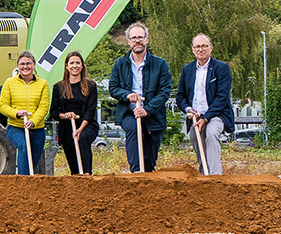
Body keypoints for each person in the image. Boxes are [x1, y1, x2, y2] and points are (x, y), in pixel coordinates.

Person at [108, 22, 171, 173]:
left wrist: (146, 110)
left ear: (146, 40)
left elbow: (164, 92)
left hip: (153, 114)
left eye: (140, 37)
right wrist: (127, 95)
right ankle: (135, 173)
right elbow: (113, 88)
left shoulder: (160, 64)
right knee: (134, 131)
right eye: (134, 38)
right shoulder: (120, 64)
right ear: (128, 41)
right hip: (129, 112)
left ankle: (147, 175)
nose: (137, 40)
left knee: (149, 160)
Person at [175, 34, 234, 176]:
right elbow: (180, 96)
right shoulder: (187, 70)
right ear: (193, 50)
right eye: (197, 47)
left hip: (216, 114)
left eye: (204, 46)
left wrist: (206, 118)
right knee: (195, 137)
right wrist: (188, 109)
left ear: (211, 48)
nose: (201, 49)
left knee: (211, 133)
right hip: (195, 115)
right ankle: (204, 173)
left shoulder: (221, 68)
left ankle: (215, 175)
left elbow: (222, 97)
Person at [0, 50, 51, 175]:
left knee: (32, 162)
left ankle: (30, 185)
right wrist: (16, 113)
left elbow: (44, 107)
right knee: (23, 146)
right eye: (22, 64)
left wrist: (33, 121)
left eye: (29, 63)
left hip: (37, 128)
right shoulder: (9, 83)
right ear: (18, 66)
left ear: (33, 65)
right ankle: (22, 181)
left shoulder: (42, 84)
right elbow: (3, 105)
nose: (25, 67)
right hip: (16, 127)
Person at [49, 51, 99, 175]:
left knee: (82, 139)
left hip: (87, 125)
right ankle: (76, 177)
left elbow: (90, 110)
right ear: (67, 66)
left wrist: (80, 129)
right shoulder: (58, 87)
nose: (75, 66)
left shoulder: (91, 86)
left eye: (78, 63)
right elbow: (54, 111)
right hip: (67, 127)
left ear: (82, 66)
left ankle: (87, 173)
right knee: (74, 167)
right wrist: (64, 115)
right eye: (72, 63)